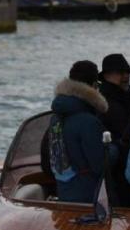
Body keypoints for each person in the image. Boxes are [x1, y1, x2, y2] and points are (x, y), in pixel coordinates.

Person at [46, 60, 116, 203]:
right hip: (87, 195)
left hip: (64, 190)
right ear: (94, 86)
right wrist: (114, 148)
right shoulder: (88, 122)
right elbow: (100, 165)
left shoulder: (56, 117)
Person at [98, 53, 130, 143]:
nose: (126, 75)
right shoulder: (104, 103)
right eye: (120, 72)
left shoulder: (128, 97)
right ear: (106, 76)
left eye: (128, 72)